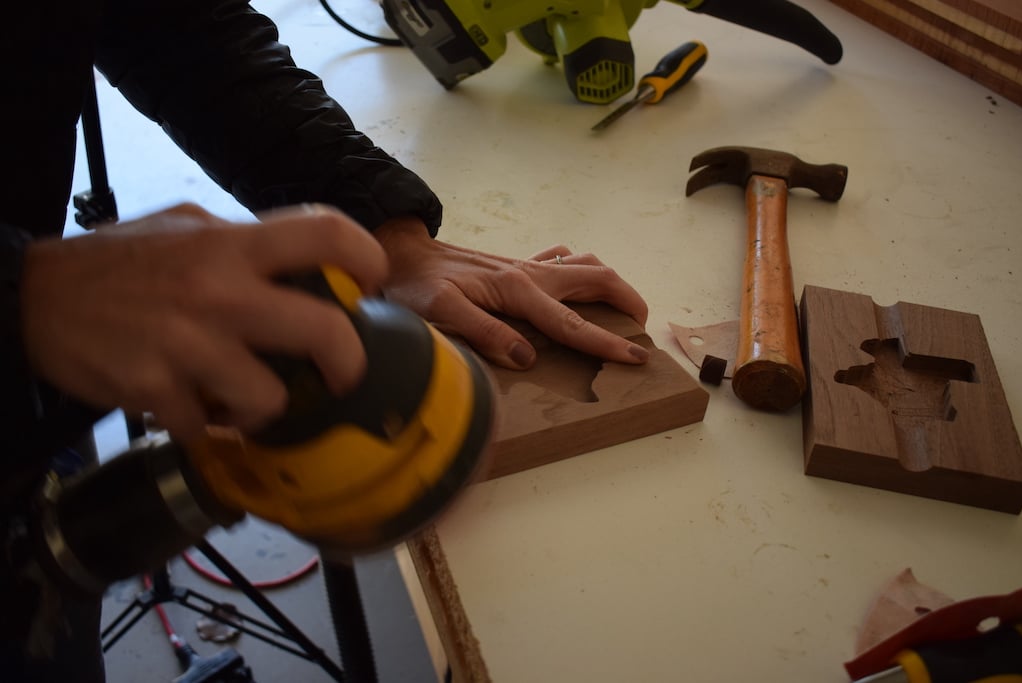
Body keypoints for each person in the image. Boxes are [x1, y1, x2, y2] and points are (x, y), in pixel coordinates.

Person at [2, 0, 650, 679]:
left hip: (37, 373)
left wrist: (384, 227)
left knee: (53, 623)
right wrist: (25, 289)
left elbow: (181, 25)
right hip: (38, 324)